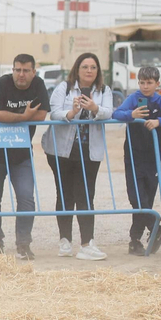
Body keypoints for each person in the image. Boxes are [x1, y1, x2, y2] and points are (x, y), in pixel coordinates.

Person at [42, 52, 115, 260]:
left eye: (93, 67)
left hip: (89, 151)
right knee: (64, 194)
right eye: (85, 67)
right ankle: (65, 241)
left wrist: (95, 108)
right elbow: (54, 112)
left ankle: (87, 243)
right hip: (62, 150)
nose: (89, 71)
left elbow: (109, 112)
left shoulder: (105, 90)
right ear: (77, 69)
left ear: (98, 71)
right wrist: (71, 112)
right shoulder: (63, 88)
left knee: (85, 195)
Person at [0, 54, 49, 259]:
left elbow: (42, 115)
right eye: (17, 69)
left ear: (33, 72)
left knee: (26, 197)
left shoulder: (38, 85)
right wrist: (23, 117)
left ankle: (24, 243)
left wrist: (12, 118)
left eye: (26, 70)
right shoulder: (1, 85)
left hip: (21, 153)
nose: (21, 74)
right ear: (13, 70)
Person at [113, 65, 161, 256]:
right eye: (142, 82)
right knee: (136, 199)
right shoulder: (134, 99)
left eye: (149, 83)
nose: (145, 86)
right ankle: (156, 229)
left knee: (147, 200)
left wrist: (160, 122)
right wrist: (131, 115)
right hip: (133, 158)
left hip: (153, 158)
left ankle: (135, 241)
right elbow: (117, 113)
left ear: (157, 84)